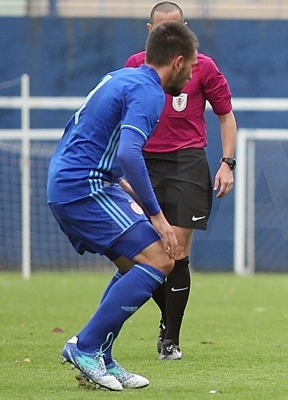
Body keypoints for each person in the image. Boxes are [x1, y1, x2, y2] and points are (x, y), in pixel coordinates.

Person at [48, 21, 198, 390]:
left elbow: (89, 136)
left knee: (135, 263)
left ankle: (103, 356)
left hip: (78, 179)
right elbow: (130, 152)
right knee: (162, 257)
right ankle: (85, 346)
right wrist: (158, 217)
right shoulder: (149, 93)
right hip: (83, 186)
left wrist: (123, 187)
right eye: (192, 67)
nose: (192, 76)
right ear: (177, 62)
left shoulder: (120, 77)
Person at [124, 1, 237, 361]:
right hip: (143, 163)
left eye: (177, 28)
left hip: (187, 162)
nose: (171, 36)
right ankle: (166, 314)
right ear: (149, 31)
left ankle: (170, 339)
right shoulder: (134, 66)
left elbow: (226, 117)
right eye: (163, 29)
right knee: (141, 254)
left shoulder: (203, 67)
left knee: (178, 249)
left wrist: (226, 163)